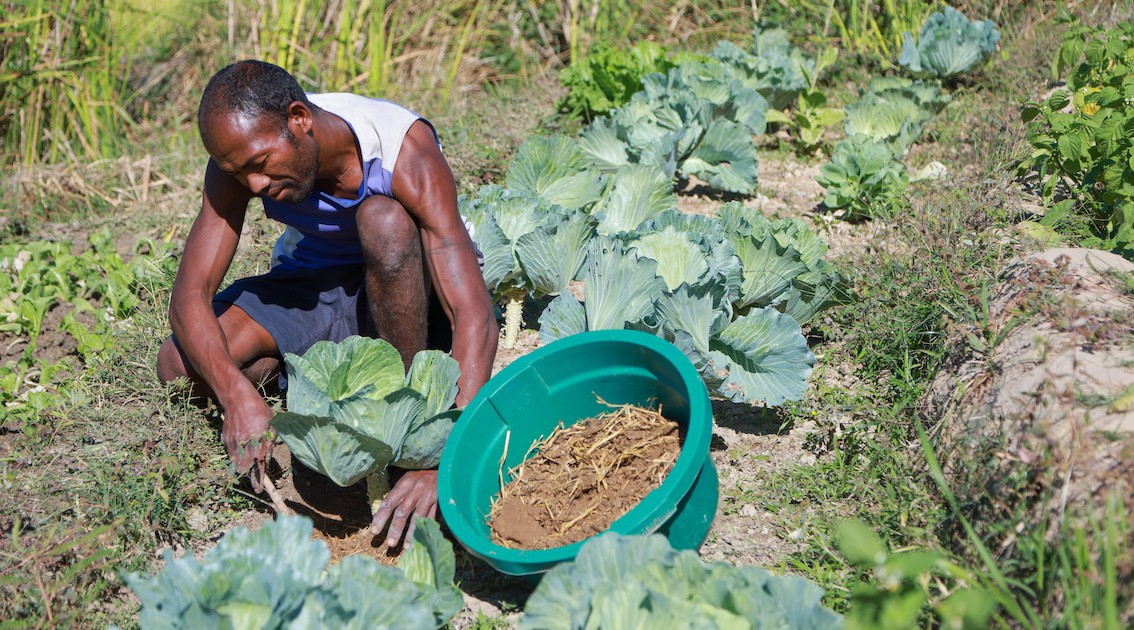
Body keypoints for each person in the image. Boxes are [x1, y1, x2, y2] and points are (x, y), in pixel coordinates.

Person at [156, 59, 498, 548]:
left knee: (383, 222)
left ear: (300, 119)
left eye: (258, 165)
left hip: (414, 294)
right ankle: (298, 378)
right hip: (320, 284)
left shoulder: (404, 151)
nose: (252, 185)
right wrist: (235, 394)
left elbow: (473, 311)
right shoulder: (240, 156)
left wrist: (443, 453)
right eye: (238, 172)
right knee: (178, 365)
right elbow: (189, 293)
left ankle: (403, 425)